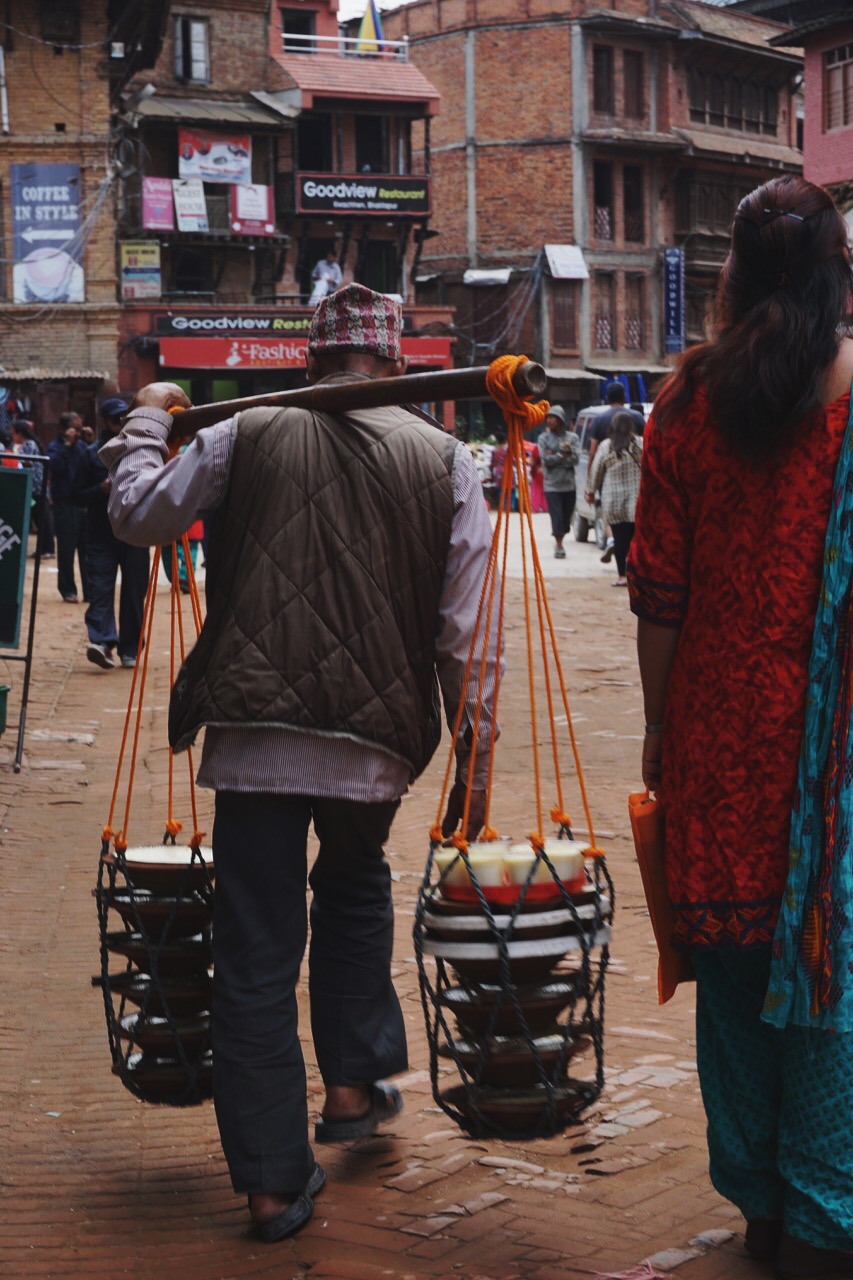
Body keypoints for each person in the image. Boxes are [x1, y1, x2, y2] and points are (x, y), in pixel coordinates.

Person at [99, 283, 500, 1244]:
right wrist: (473, 753)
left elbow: (139, 519)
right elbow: (465, 634)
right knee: (356, 886)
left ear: (310, 362)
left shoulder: (246, 433)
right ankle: (355, 1085)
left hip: (254, 735)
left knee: (253, 950)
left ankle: (275, 1183)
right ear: (395, 364)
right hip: (374, 743)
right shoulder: (445, 461)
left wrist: (146, 426)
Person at [629, 175, 853, 1277]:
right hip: (836, 755)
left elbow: (657, 594)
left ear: (731, 273)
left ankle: (762, 1200)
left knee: (730, 974)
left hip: (717, 735)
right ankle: (825, 1211)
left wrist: (659, 728)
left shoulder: (681, 408)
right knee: (828, 975)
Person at [74, 397, 149, 669]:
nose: (121, 423)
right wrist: (100, 490)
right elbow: (75, 495)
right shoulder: (90, 454)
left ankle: (130, 647)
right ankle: (103, 642)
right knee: (100, 590)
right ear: (105, 421)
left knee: (134, 592)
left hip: (135, 533)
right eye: (116, 418)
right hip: (101, 535)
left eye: (124, 417)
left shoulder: (142, 450)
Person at [585, 410, 642, 587]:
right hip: (637, 500)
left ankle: (622, 577)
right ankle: (638, 577)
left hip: (614, 500)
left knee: (620, 539)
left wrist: (590, 491)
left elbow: (597, 471)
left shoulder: (606, 446)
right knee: (637, 540)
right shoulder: (641, 443)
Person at [537, 405, 579, 558]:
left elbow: (575, 459)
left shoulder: (572, 438)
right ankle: (559, 545)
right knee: (557, 516)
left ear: (560, 419)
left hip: (569, 484)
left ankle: (562, 533)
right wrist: (562, 455)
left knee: (566, 518)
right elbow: (545, 460)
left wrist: (555, 455)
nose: (549, 420)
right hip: (552, 485)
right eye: (547, 417)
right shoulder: (543, 438)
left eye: (552, 417)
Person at [10, 419, 54, 559]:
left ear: (19, 433)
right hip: (36, 488)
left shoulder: (29, 444)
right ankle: (43, 549)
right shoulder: (29, 444)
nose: (12, 437)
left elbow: (22, 462)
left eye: (13, 433)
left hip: (36, 488)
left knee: (42, 519)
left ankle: (48, 549)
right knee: (40, 518)